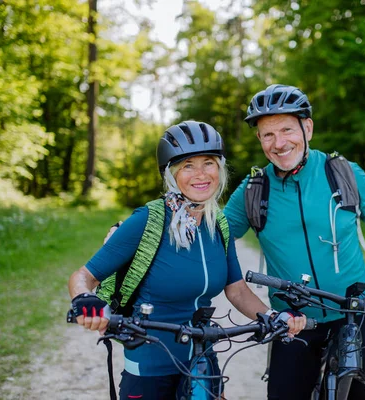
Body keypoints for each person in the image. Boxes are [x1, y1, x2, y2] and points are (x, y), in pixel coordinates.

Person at [222, 84, 365, 400]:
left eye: (287, 130)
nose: (279, 143)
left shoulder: (343, 173)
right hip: (291, 323)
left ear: (308, 128)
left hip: (354, 314)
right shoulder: (253, 190)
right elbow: (214, 244)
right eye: (267, 135)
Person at [68, 120, 306, 400]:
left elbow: (237, 289)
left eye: (208, 163)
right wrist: (85, 300)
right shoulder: (148, 220)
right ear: (171, 174)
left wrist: (272, 315)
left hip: (202, 360)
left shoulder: (218, 224)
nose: (200, 174)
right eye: (187, 166)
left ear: (220, 168)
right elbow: (84, 277)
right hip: (149, 364)